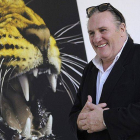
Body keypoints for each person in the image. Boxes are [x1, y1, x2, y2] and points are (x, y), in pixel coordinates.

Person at [69, 3, 140, 140]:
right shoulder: (89, 69)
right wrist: (79, 121)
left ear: (122, 29)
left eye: (103, 30)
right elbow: (74, 114)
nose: (96, 39)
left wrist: (105, 119)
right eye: (91, 33)